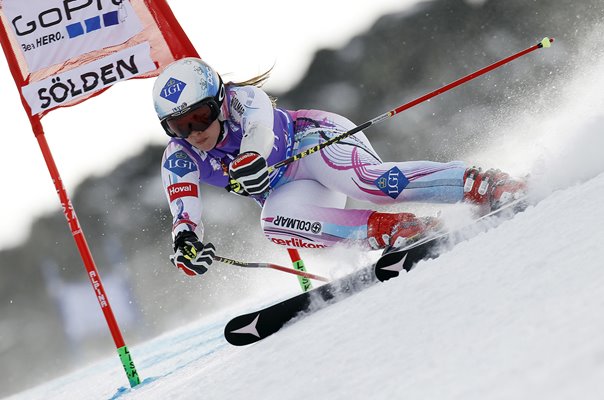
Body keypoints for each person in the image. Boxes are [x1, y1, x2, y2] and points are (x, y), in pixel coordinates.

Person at [152, 58, 526, 276]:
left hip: (314, 141)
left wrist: (250, 158)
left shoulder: (244, 100)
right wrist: (186, 244)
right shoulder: (180, 157)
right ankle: (395, 230)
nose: (194, 133)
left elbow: (260, 132)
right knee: (274, 222)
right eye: (178, 126)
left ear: (218, 102)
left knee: (369, 186)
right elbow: (184, 211)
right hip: (288, 185)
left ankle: (480, 184)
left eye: (199, 117)